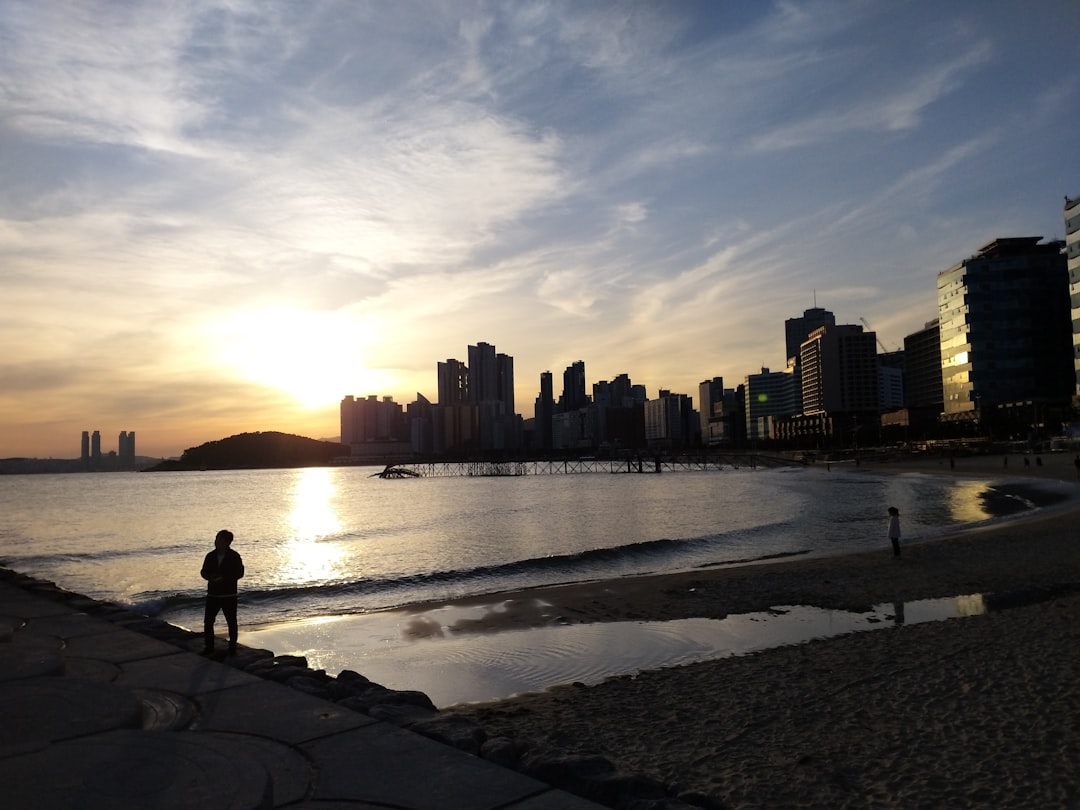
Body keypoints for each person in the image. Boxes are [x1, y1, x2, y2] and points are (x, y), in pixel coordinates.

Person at [200, 529, 244, 655]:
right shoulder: (210, 556)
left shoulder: (234, 556)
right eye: (216, 539)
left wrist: (224, 578)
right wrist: (209, 577)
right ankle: (209, 648)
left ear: (227, 542)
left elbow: (240, 573)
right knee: (208, 621)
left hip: (229, 595)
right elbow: (203, 571)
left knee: (231, 622)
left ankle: (232, 649)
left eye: (219, 539)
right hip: (213, 594)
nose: (216, 542)